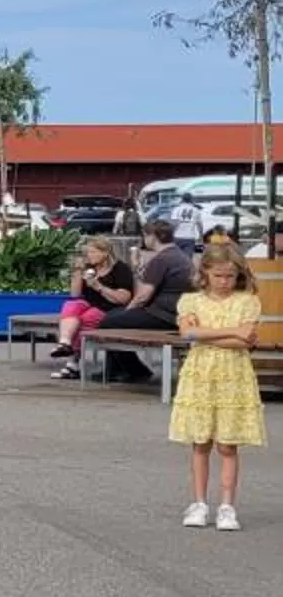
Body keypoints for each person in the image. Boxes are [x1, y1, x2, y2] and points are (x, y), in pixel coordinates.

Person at [169, 245, 264, 529]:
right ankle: (199, 503)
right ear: (206, 274)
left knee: (227, 444)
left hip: (234, 374)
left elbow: (244, 342)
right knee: (200, 442)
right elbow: (187, 333)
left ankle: (227, 506)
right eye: (219, 275)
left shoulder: (247, 301)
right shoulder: (190, 301)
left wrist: (205, 335)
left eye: (230, 276)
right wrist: (233, 331)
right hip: (200, 373)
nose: (224, 281)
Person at [94, 222, 196, 382]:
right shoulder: (179, 256)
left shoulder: (162, 259)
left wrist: (128, 311)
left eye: (145, 235)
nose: (144, 239)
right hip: (176, 313)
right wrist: (137, 268)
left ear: (153, 237)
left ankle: (134, 370)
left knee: (108, 322)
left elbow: (143, 296)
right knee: (114, 316)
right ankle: (117, 370)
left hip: (164, 315)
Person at [50, 236, 137, 379]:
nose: (88, 256)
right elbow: (75, 294)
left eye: (92, 252)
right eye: (87, 253)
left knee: (86, 318)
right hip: (88, 304)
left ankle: (72, 364)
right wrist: (77, 271)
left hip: (110, 307)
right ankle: (65, 343)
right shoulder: (89, 268)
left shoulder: (120, 269)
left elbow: (124, 298)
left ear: (105, 253)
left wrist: (99, 287)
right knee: (71, 305)